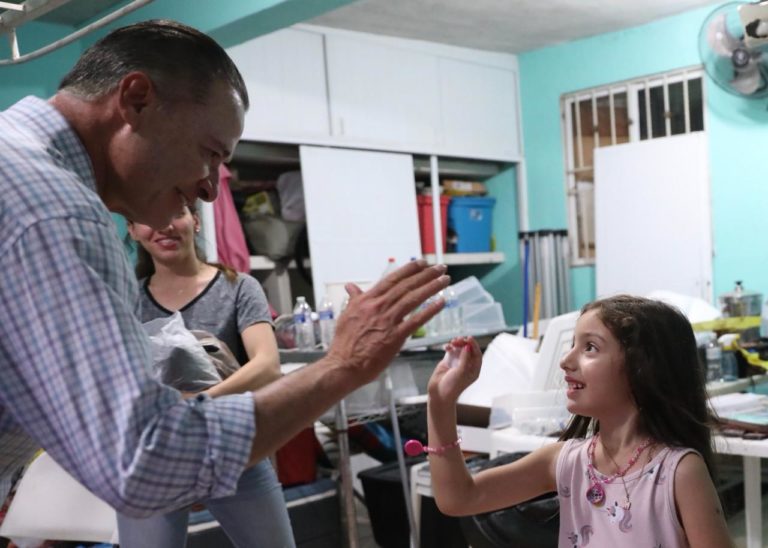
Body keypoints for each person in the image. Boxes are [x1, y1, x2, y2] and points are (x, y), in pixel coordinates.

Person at [0, 19, 448, 518]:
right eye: (210, 153)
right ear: (136, 100)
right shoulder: (56, 210)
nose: (211, 190)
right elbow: (143, 465)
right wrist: (343, 366)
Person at [427, 296, 733, 548]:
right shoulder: (566, 461)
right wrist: (440, 404)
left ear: (642, 368)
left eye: (590, 347)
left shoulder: (679, 471)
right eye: (574, 344)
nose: (566, 360)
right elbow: (459, 499)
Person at [118, 203, 294, 547]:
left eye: (175, 213)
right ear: (132, 230)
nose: (164, 227)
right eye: (148, 218)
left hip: (233, 449)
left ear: (195, 221)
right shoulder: (128, 300)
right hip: (158, 457)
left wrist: (197, 404)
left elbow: (267, 366)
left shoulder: (238, 287)